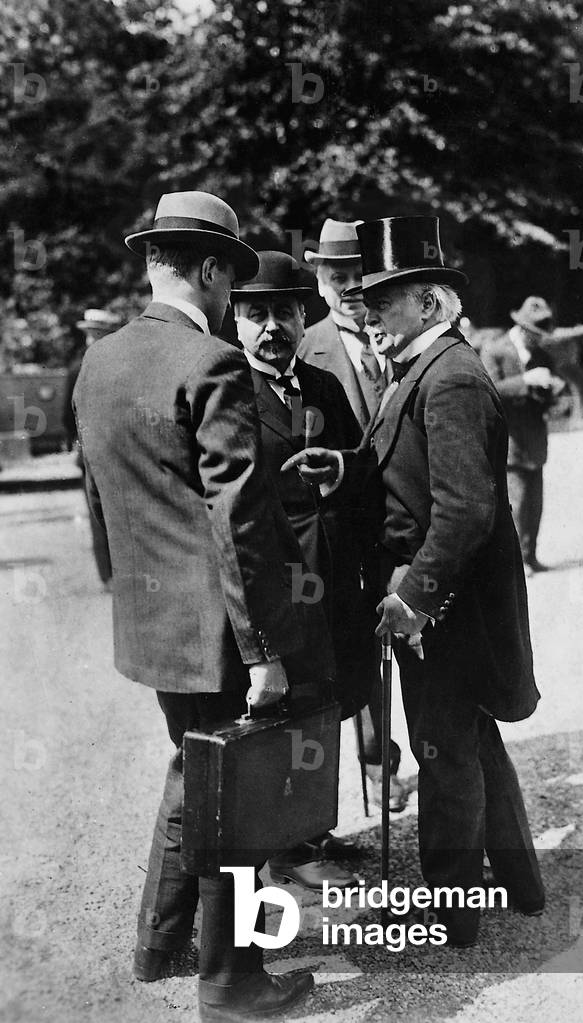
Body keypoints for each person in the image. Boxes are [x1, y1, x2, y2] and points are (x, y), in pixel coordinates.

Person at [73, 192, 321, 1020]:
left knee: (192, 770)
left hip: (150, 625)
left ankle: (157, 943)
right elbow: (238, 521)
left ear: (153, 265)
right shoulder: (212, 363)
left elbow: (100, 506)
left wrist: (126, 592)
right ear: (211, 270)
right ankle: (233, 985)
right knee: (237, 802)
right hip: (219, 630)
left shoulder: (98, 362)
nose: (230, 301)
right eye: (230, 280)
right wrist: (263, 651)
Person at [285, 215, 544, 946]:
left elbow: (464, 511)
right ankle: (520, 882)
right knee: (469, 736)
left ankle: (454, 911)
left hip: (446, 605)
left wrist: (411, 597)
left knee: (445, 749)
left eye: (387, 299)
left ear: (428, 304)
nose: (371, 311)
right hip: (441, 600)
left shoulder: (452, 378)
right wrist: (349, 466)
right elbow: (404, 465)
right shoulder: (425, 368)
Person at [232, 249, 370, 890]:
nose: (271, 327)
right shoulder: (229, 392)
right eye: (256, 313)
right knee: (278, 709)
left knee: (323, 701)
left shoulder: (323, 386)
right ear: (236, 319)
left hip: (333, 572)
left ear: (301, 315)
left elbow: (359, 462)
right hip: (273, 578)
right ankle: (281, 848)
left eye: (283, 312)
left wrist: (341, 465)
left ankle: (311, 831)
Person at [299, 218, 406, 811]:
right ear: (318, 279)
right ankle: (355, 776)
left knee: (392, 645)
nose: (349, 287)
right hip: (337, 529)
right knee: (338, 654)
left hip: (397, 525)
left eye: (359, 276)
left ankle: (382, 766)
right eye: (336, 275)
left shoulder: (401, 340)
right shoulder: (303, 344)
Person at [480, 296, 567, 576]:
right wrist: (525, 381)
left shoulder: (543, 355)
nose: (539, 341)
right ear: (522, 329)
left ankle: (530, 556)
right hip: (508, 438)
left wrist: (555, 393)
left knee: (535, 504)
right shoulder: (496, 350)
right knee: (514, 504)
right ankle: (514, 563)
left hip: (535, 437)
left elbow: (548, 398)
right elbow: (487, 389)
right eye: (536, 335)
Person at [63, 308, 121, 588]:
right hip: (114, 447)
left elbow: (66, 415)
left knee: (97, 512)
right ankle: (114, 575)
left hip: (88, 449)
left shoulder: (78, 365)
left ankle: (108, 575)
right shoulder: (115, 362)